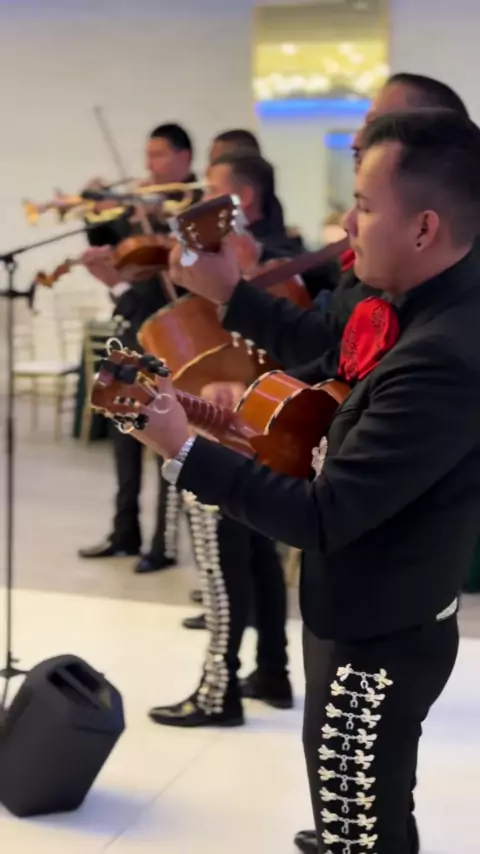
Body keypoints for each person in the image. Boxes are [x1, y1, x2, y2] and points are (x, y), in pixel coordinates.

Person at [131, 107, 480, 854]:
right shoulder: (410, 303)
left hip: (381, 633)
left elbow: (326, 514)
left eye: (363, 206)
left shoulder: (445, 354)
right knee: (360, 812)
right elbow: (333, 366)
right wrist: (233, 402)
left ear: (424, 228)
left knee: (361, 826)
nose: (347, 227)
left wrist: (183, 449)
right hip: (359, 606)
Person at [148, 152, 302, 728]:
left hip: (239, 429)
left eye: (210, 195)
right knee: (257, 557)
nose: (195, 212)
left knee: (220, 563)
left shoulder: (272, 265)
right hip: (257, 428)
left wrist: (246, 386)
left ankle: (218, 689)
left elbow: (296, 345)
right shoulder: (275, 257)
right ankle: (272, 671)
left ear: (240, 204)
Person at [79, 123, 200, 574]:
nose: (151, 165)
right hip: (130, 339)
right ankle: (123, 532)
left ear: (185, 158)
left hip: (170, 341)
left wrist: (160, 221)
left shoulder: (193, 208)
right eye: (148, 155)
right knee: (123, 439)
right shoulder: (140, 206)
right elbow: (109, 243)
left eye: (160, 155)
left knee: (166, 443)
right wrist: (95, 210)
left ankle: (162, 545)